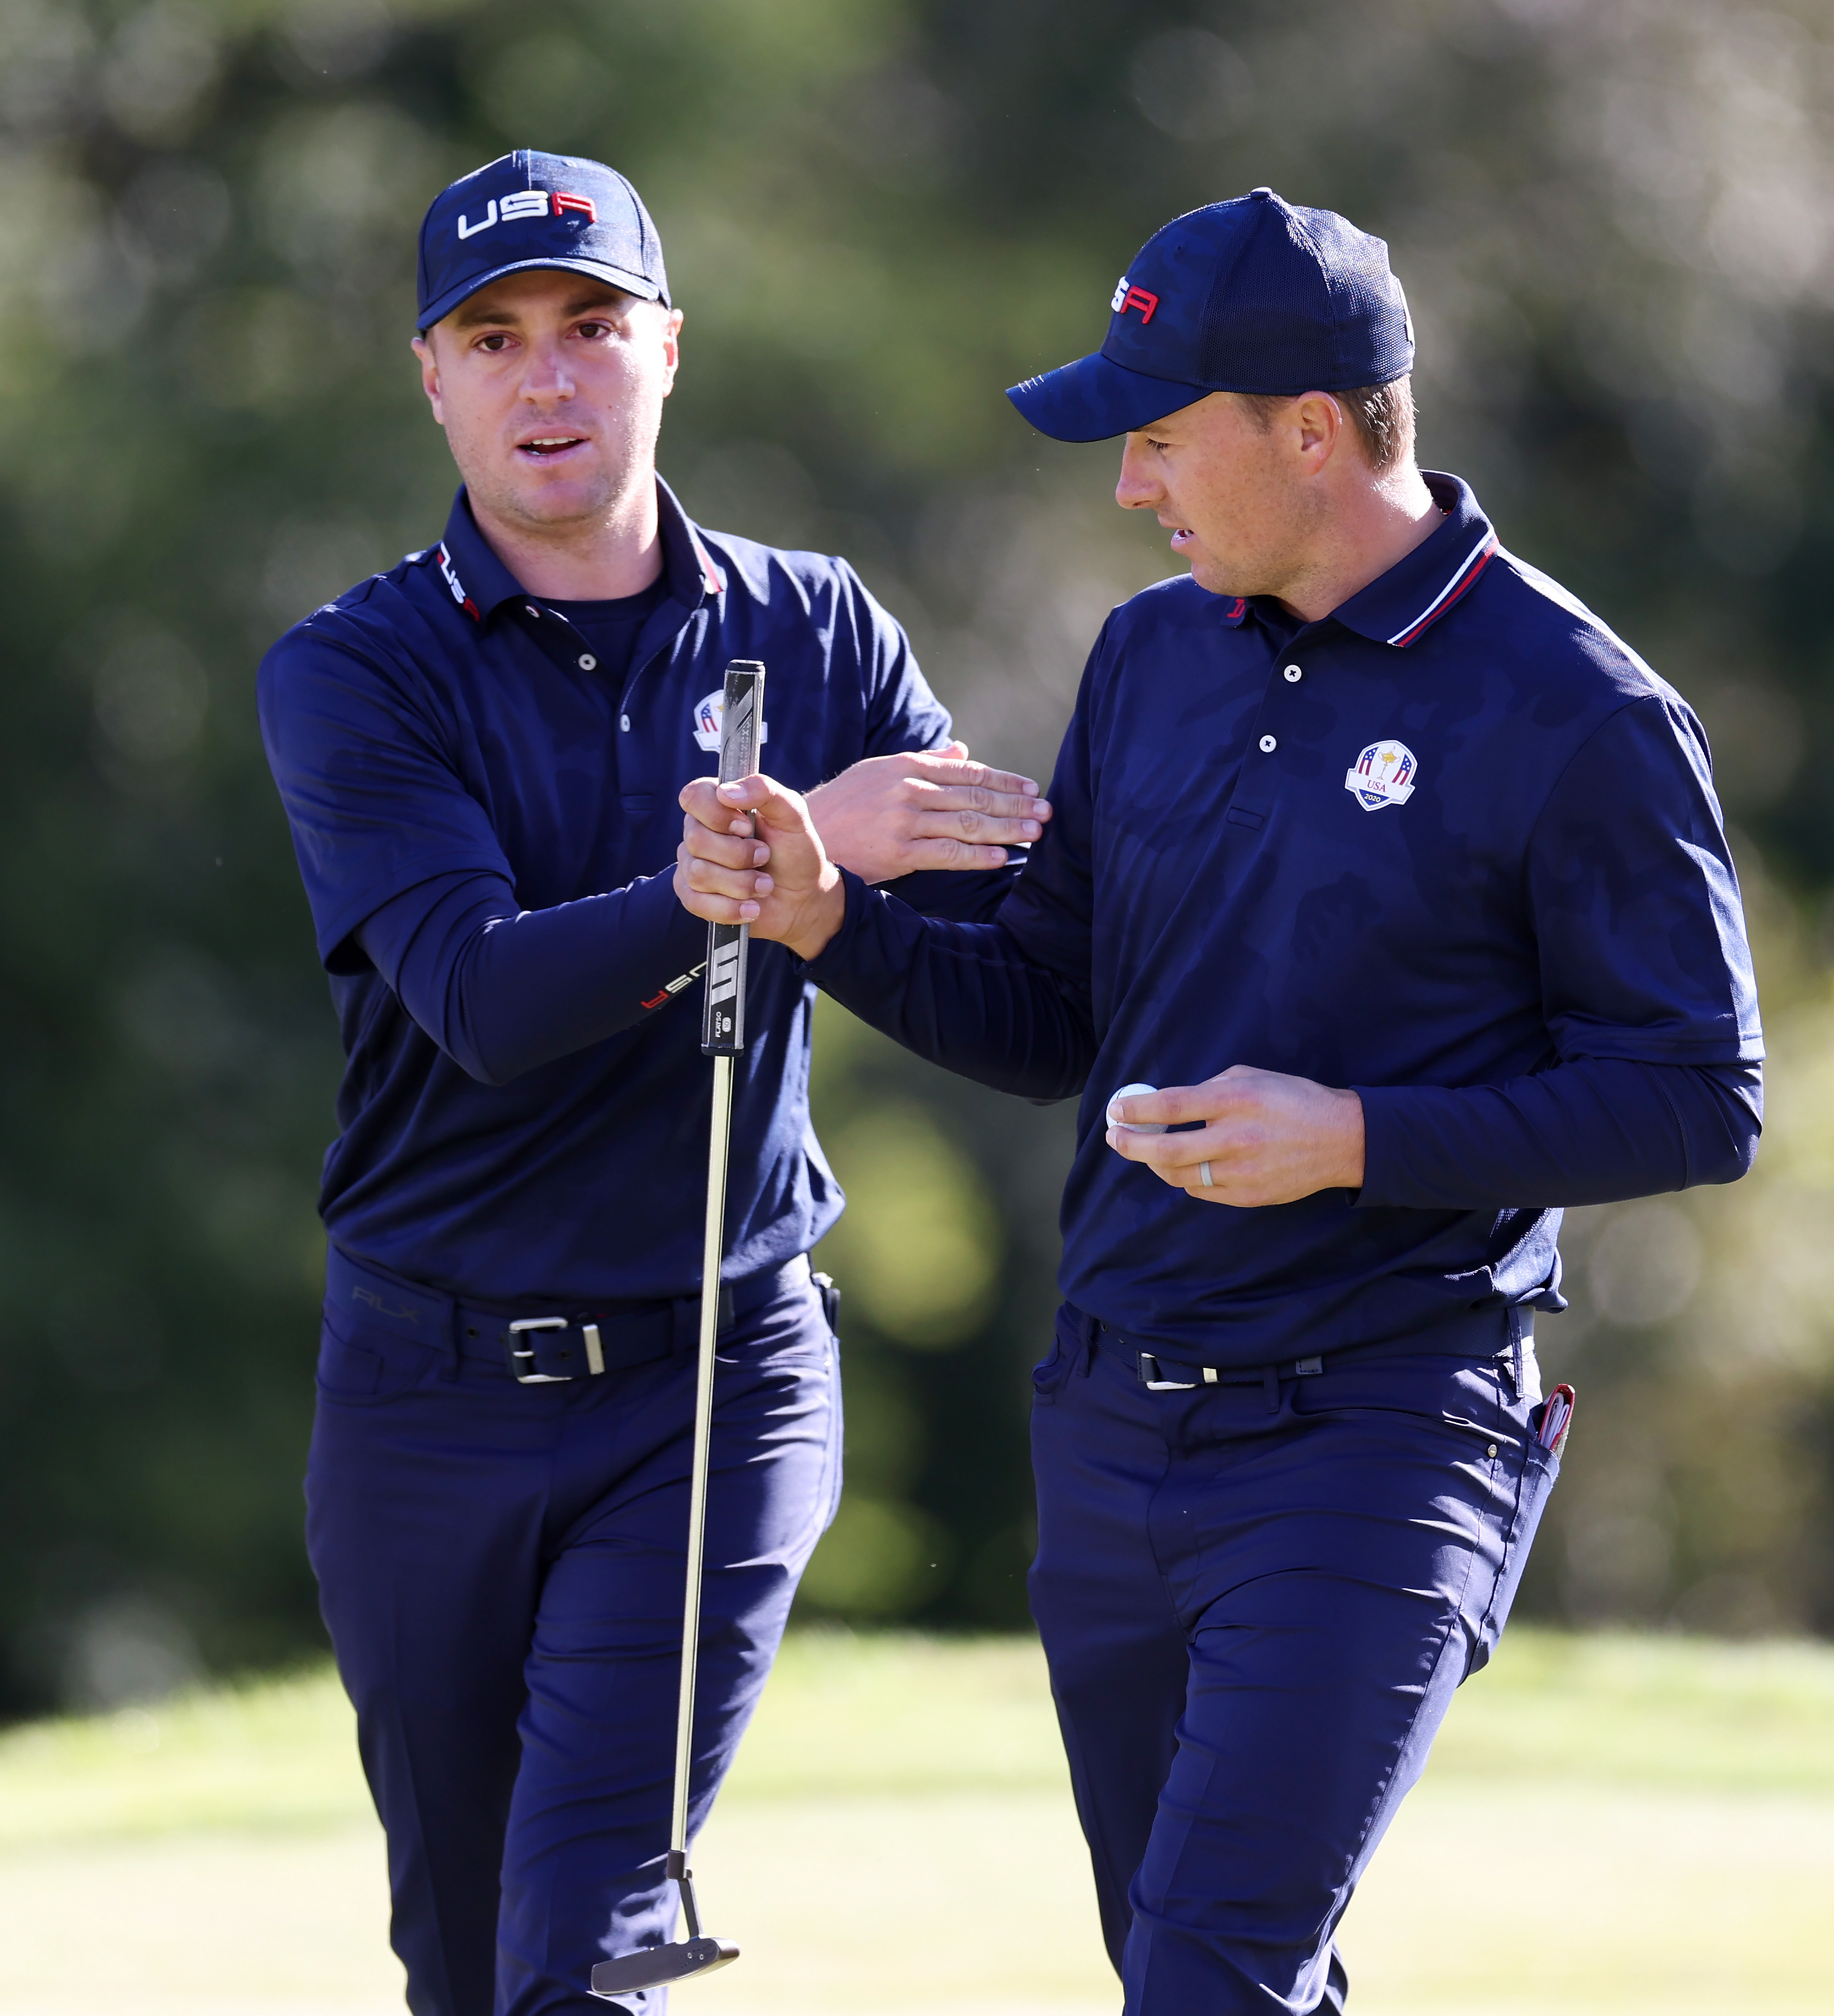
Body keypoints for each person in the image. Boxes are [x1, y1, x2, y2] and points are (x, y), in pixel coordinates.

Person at [673, 191, 1763, 2014]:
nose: (1130, 486)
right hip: (1114, 1424)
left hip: (1383, 1432)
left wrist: (1354, 1138)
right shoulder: (1151, 656)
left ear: (1312, 431)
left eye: (1162, 439)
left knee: (1207, 1975)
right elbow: (1050, 1017)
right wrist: (830, 922)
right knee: (1200, 1966)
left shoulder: (1579, 712)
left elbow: (1698, 1097)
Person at [254, 150, 1050, 2016]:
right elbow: (476, 994)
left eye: (591, 328)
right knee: (468, 1967)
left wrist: (829, 897)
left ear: (667, 351)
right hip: (427, 1394)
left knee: (583, 1948)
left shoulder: (818, 629)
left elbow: (1017, 990)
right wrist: (753, 874)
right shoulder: (357, 672)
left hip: (715, 1383)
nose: (548, 377)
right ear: (432, 378)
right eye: (494, 338)